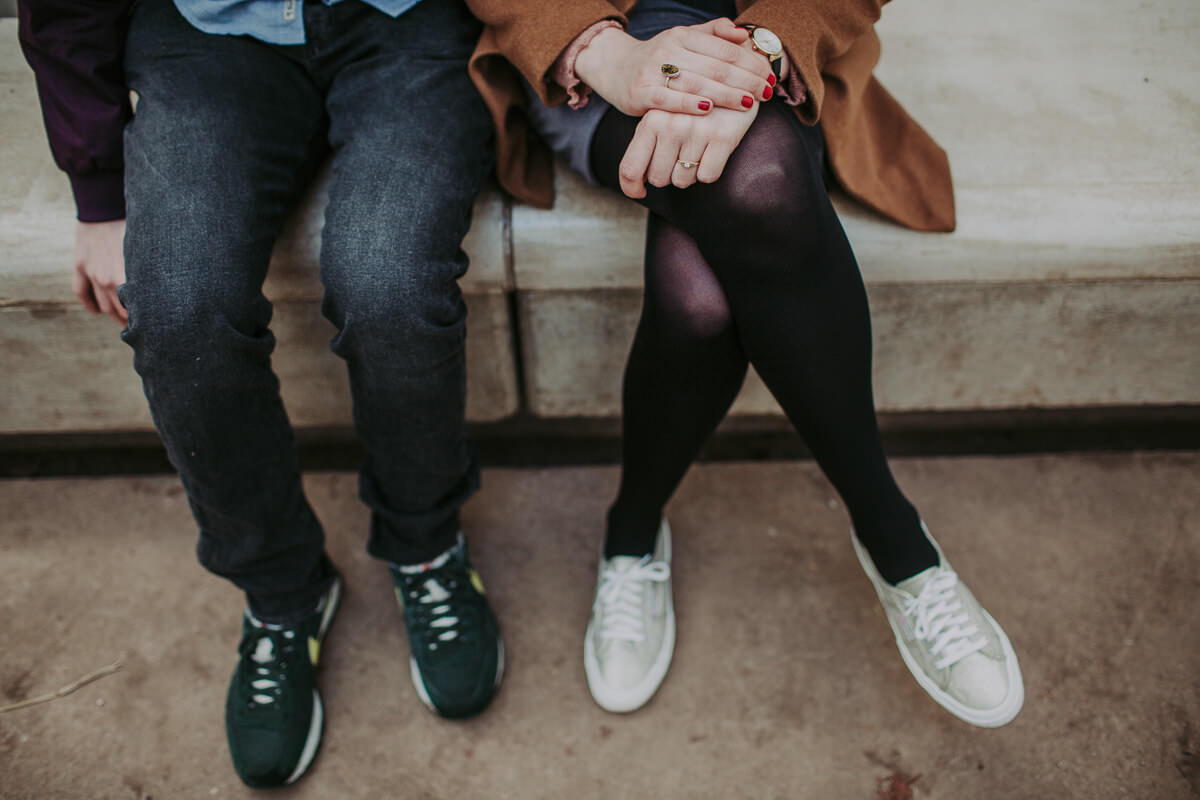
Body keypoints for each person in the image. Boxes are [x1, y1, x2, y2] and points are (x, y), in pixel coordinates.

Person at [464, 0, 1024, 726]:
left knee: (711, 280)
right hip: (591, 43)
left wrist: (761, 49)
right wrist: (603, 51)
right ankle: (898, 545)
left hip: (773, 28)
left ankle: (634, 534)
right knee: (751, 195)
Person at [18, 0, 504, 786]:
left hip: (410, 23)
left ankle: (426, 544)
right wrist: (97, 184)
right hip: (209, 34)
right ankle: (281, 592)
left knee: (390, 287)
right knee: (177, 310)